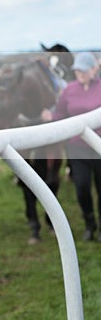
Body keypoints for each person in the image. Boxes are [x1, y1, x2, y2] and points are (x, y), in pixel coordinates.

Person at [42, 51, 101, 241]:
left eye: (84, 70)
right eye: (78, 71)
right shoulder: (69, 90)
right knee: (82, 186)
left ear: (94, 69)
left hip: (99, 147)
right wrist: (50, 116)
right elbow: (60, 113)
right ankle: (90, 225)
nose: (80, 74)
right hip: (77, 147)